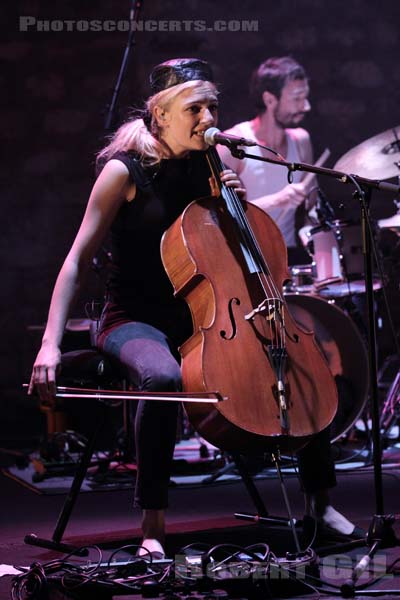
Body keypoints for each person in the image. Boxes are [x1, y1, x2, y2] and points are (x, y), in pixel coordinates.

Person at [28, 58, 245, 558]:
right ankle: (153, 522)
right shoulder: (124, 171)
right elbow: (77, 259)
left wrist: (238, 208)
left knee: (292, 351)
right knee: (163, 377)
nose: (209, 117)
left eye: (213, 106)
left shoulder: (211, 166)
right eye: (195, 108)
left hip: (200, 319)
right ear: (161, 114)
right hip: (132, 319)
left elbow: (224, 259)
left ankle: (318, 503)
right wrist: (49, 345)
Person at [219, 56, 363, 539]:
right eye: (297, 97)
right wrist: (278, 201)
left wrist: (306, 227)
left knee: (314, 373)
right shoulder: (235, 145)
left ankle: (319, 503)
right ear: (269, 99)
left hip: (281, 270)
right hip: (238, 272)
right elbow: (219, 215)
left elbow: (301, 218)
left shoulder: (299, 142)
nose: (307, 105)